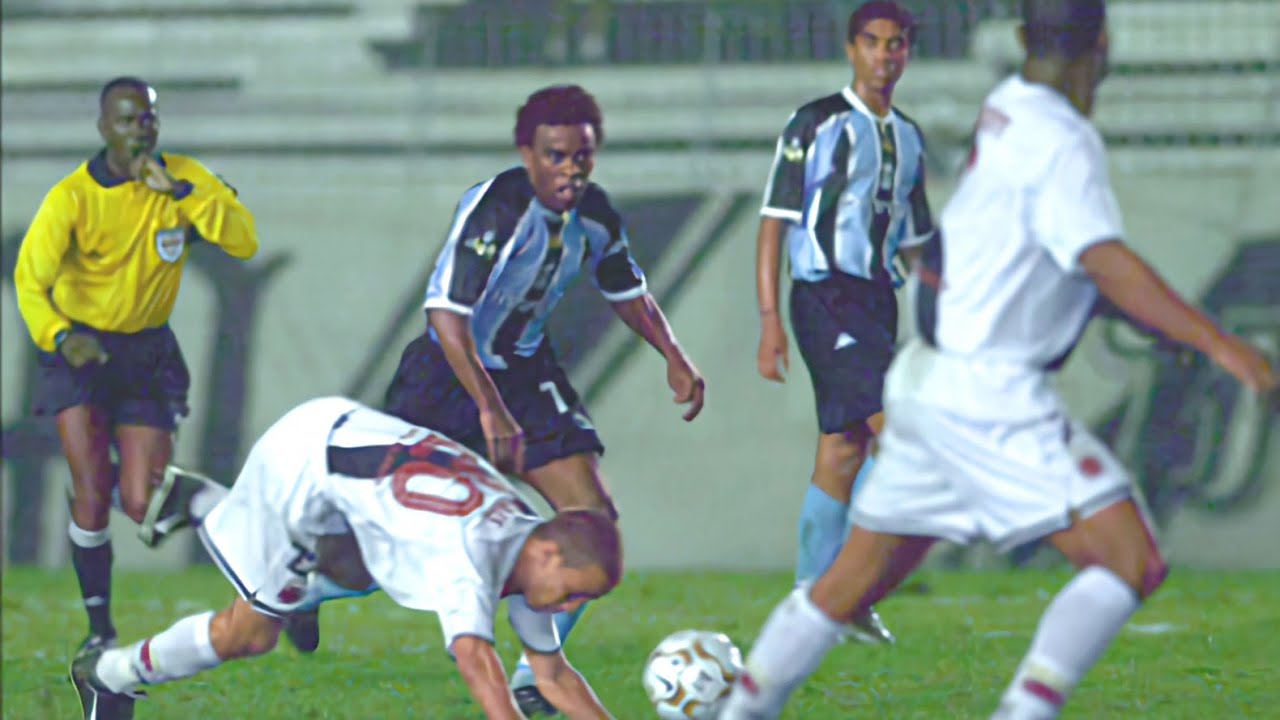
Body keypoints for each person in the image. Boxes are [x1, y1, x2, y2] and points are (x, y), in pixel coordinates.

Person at [721, 1, 1278, 717]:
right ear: (1105, 44)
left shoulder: (1006, 108)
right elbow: (1099, 257)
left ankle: (742, 709)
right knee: (1130, 561)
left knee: (843, 588)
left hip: (927, 381)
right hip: (992, 394)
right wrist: (1225, 347)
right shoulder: (1063, 139)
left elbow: (1024, 253)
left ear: (1020, 40)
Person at [284, 83, 706, 716]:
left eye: (581, 156)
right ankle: (308, 590)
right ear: (527, 153)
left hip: (526, 373)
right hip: (446, 376)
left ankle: (536, 676)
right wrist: (487, 406)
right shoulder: (495, 210)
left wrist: (673, 354)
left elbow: (626, 288)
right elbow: (446, 316)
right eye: (557, 156)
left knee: (592, 525)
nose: (570, 170)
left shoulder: (597, 215)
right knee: (368, 548)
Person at [69, 397, 624, 720]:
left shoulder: (527, 539)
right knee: (250, 634)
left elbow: (552, 675)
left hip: (346, 451)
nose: (574, 605)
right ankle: (111, 674)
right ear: (549, 551)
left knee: (370, 570)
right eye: (577, 590)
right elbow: (475, 658)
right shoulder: (471, 552)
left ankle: (283, 568)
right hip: (300, 466)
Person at [13, 76, 255, 657]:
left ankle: (248, 535)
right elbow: (30, 280)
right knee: (92, 489)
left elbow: (243, 240)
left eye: (147, 119)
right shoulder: (71, 198)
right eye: (126, 121)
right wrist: (61, 336)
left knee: (145, 500)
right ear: (104, 129)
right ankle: (100, 629)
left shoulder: (184, 179)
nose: (139, 130)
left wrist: (180, 193)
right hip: (81, 352)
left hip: (146, 351)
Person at [753, 0, 936, 643]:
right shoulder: (816, 122)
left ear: (907, 53)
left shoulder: (908, 135)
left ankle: (811, 596)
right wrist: (771, 318)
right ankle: (857, 587)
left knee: (843, 449)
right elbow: (775, 221)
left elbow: (916, 241)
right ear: (852, 49)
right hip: (824, 295)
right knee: (901, 431)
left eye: (897, 45)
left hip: (878, 300)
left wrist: (955, 299)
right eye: (873, 43)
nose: (885, 56)